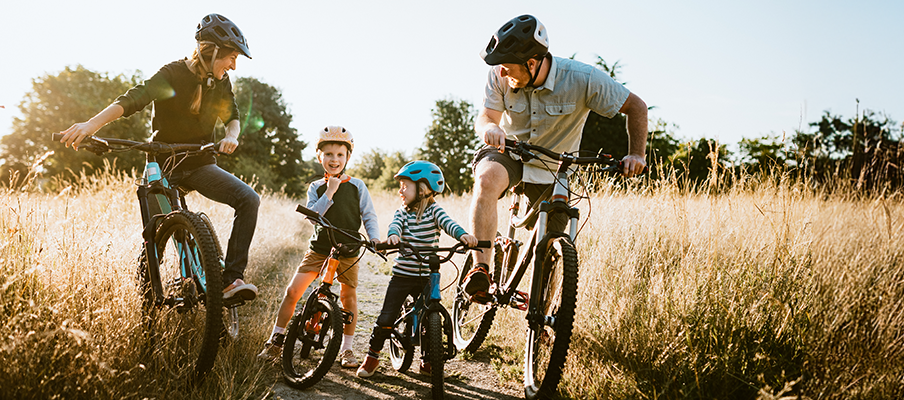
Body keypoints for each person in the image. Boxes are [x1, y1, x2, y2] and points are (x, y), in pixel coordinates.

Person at [57, 13, 260, 301]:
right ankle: (151, 305)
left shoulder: (221, 82)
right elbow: (132, 99)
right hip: (161, 166)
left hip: (200, 164)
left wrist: (231, 136)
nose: (233, 65)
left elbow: (233, 116)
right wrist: (90, 125)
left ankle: (230, 280)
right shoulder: (173, 74)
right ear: (211, 51)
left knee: (249, 199)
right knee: (154, 239)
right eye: (231, 57)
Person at [463, 14, 649, 299]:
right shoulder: (500, 74)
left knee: (550, 244)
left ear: (533, 62)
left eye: (508, 67)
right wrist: (489, 127)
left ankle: (543, 319)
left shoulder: (582, 79)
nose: (502, 73)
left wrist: (636, 154)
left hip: (554, 166)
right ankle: (481, 270)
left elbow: (637, 107)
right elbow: (487, 115)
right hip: (510, 151)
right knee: (486, 179)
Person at [257, 126, 380, 368]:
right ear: (319, 157)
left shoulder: (358, 186)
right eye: (329, 155)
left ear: (347, 157)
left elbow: (369, 215)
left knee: (348, 297)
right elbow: (313, 216)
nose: (334, 160)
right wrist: (330, 192)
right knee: (293, 292)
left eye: (340, 155)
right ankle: (276, 340)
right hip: (319, 249)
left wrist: (374, 238)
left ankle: (346, 349)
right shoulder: (316, 187)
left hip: (348, 250)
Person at [357, 161, 478, 377]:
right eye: (400, 186)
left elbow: (449, 223)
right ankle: (372, 357)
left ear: (422, 189)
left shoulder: (434, 212)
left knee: (431, 319)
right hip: (403, 275)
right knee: (386, 317)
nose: (400, 190)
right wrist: (393, 236)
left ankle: (427, 361)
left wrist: (463, 236)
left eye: (405, 185)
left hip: (428, 276)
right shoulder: (402, 214)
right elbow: (395, 225)